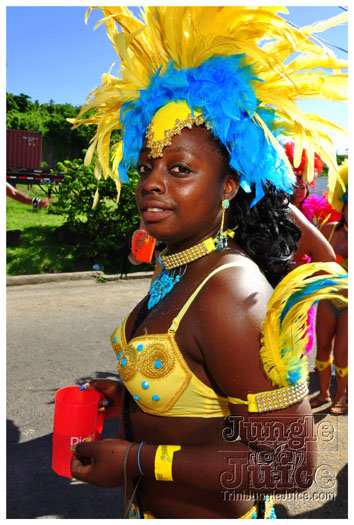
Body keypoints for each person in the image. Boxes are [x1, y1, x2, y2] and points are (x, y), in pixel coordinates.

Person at [69, 7, 348, 519]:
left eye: (179, 169)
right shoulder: (178, 265)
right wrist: (132, 394)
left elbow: (291, 467)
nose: (153, 183)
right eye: (148, 166)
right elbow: (197, 391)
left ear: (227, 187)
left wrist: (138, 459)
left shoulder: (229, 291)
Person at [310, 162, 348, 414]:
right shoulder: (328, 230)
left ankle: (340, 398)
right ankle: (323, 394)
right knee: (322, 348)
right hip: (327, 298)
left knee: (344, 356)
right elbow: (313, 260)